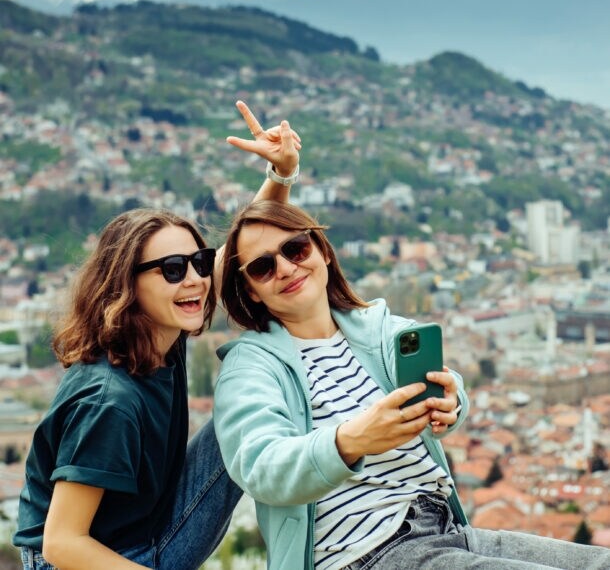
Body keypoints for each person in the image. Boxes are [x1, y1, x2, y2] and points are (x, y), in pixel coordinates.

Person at [213, 200, 610, 570]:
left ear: (323, 251)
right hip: (365, 551)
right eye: (263, 267)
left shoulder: (376, 327)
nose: (284, 268)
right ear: (250, 289)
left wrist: (452, 399)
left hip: (447, 530)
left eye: (295, 249)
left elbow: (443, 383)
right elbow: (259, 465)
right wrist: (350, 441)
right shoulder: (250, 366)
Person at [12, 100, 301, 570]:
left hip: (143, 528)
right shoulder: (111, 401)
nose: (194, 279)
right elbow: (62, 543)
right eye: (171, 269)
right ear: (128, 286)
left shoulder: (157, 330)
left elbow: (235, 253)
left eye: (197, 263)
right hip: (92, 560)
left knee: (253, 405)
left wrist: (281, 174)